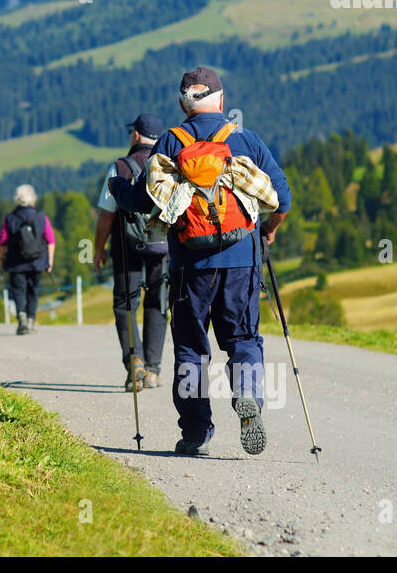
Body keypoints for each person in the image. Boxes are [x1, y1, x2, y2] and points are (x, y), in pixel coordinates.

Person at [114, 67, 290, 457]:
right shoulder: (245, 139)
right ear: (222, 101)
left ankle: (195, 433)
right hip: (241, 262)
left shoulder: (171, 143)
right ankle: (247, 396)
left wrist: (119, 188)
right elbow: (283, 198)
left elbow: (145, 203)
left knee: (192, 349)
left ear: (182, 103)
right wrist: (269, 229)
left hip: (189, 267)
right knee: (243, 339)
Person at [93, 114, 169, 392]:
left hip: (128, 247)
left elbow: (105, 215)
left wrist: (98, 249)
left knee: (126, 305)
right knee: (157, 304)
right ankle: (153, 370)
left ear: (136, 135)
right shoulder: (167, 164)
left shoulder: (120, 167)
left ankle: (133, 361)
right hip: (163, 247)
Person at [0, 184, 56, 335]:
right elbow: (50, 239)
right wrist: (49, 260)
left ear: (17, 200)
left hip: (16, 262)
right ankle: (31, 320)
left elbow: (3, 241)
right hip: (37, 261)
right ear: (33, 199)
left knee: (18, 290)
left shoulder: (10, 218)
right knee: (33, 290)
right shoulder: (40, 216)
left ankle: (21, 317)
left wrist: (2, 260)